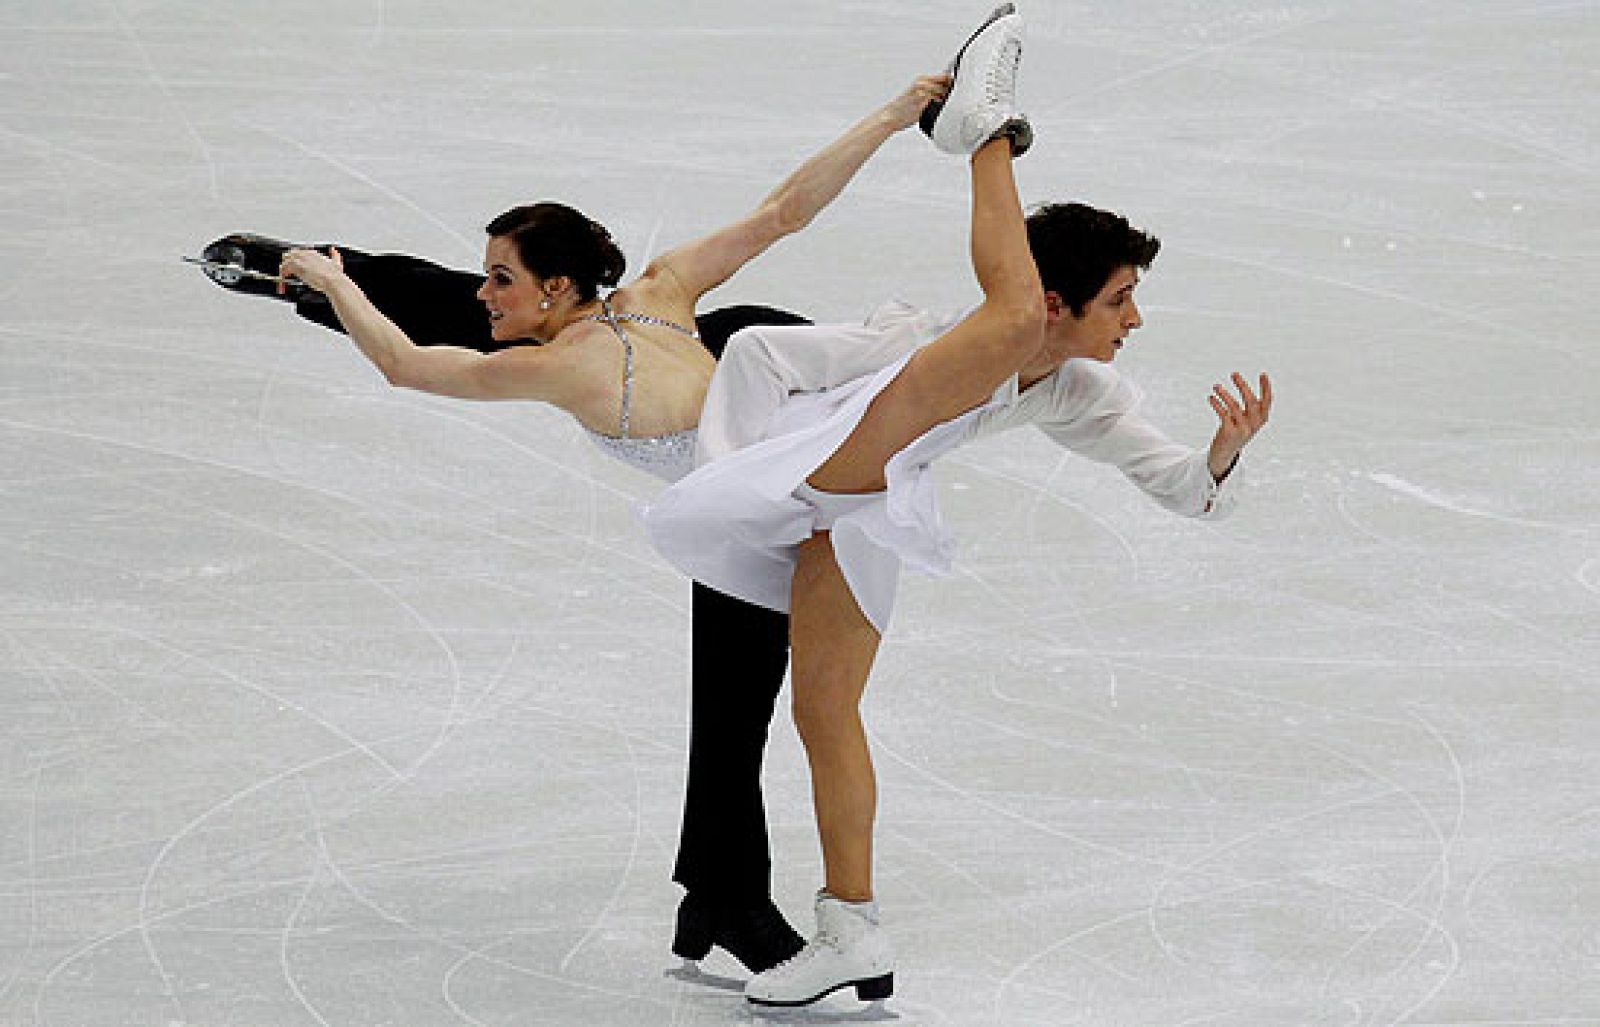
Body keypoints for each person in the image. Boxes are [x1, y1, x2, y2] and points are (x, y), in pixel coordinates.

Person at [196, 73, 952, 975]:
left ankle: (721, 894)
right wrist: (894, 112)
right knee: (480, 319)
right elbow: (786, 210)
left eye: (505, 275)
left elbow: (406, 366)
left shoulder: (578, 352)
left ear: (559, 284)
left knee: (736, 706)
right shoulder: (650, 291)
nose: (488, 288)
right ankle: (724, 896)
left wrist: (332, 283)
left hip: (770, 473)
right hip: (740, 404)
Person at [642, 4, 1273, 1007]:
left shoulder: (1075, 386)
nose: (1135, 320)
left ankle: (988, 124)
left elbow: (1189, 493)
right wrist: (733, 476)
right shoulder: (928, 337)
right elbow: (760, 352)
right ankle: (849, 927)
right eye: (1119, 299)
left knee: (824, 707)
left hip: (868, 503)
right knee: (821, 713)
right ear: (1065, 302)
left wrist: (1224, 456)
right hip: (822, 462)